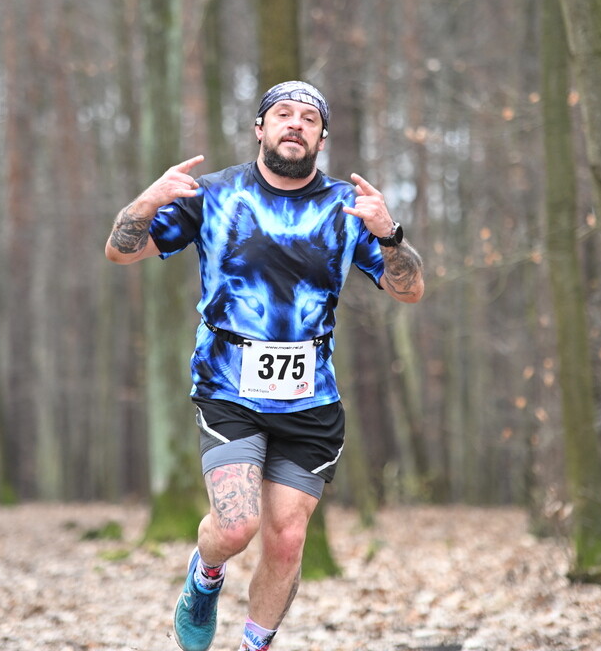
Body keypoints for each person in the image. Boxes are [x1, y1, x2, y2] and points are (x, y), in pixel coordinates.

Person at [105, 80, 424, 651]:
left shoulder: (345, 210)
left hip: (311, 401)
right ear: (260, 128)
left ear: (322, 139)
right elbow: (122, 249)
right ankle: (204, 578)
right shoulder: (214, 193)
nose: (295, 124)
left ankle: (254, 645)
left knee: (286, 541)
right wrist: (146, 201)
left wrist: (390, 233)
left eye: (309, 118)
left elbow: (410, 290)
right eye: (283, 114)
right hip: (228, 386)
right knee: (235, 526)